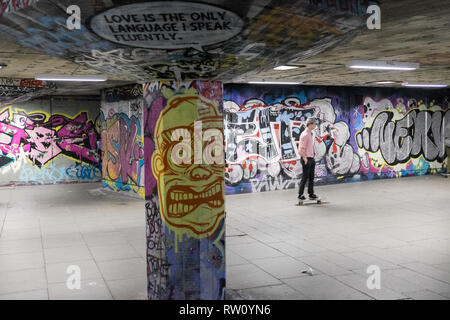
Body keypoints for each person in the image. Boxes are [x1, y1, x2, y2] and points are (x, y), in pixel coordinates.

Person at [298, 117, 318, 201]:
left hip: (311, 158)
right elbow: (301, 148)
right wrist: (304, 158)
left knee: (311, 177)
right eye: (314, 123)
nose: (315, 125)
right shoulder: (305, 134)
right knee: (305, 177)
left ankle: (311, 193)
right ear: (310, 124)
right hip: (306, 158)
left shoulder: (310, 133)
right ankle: (300, 194)